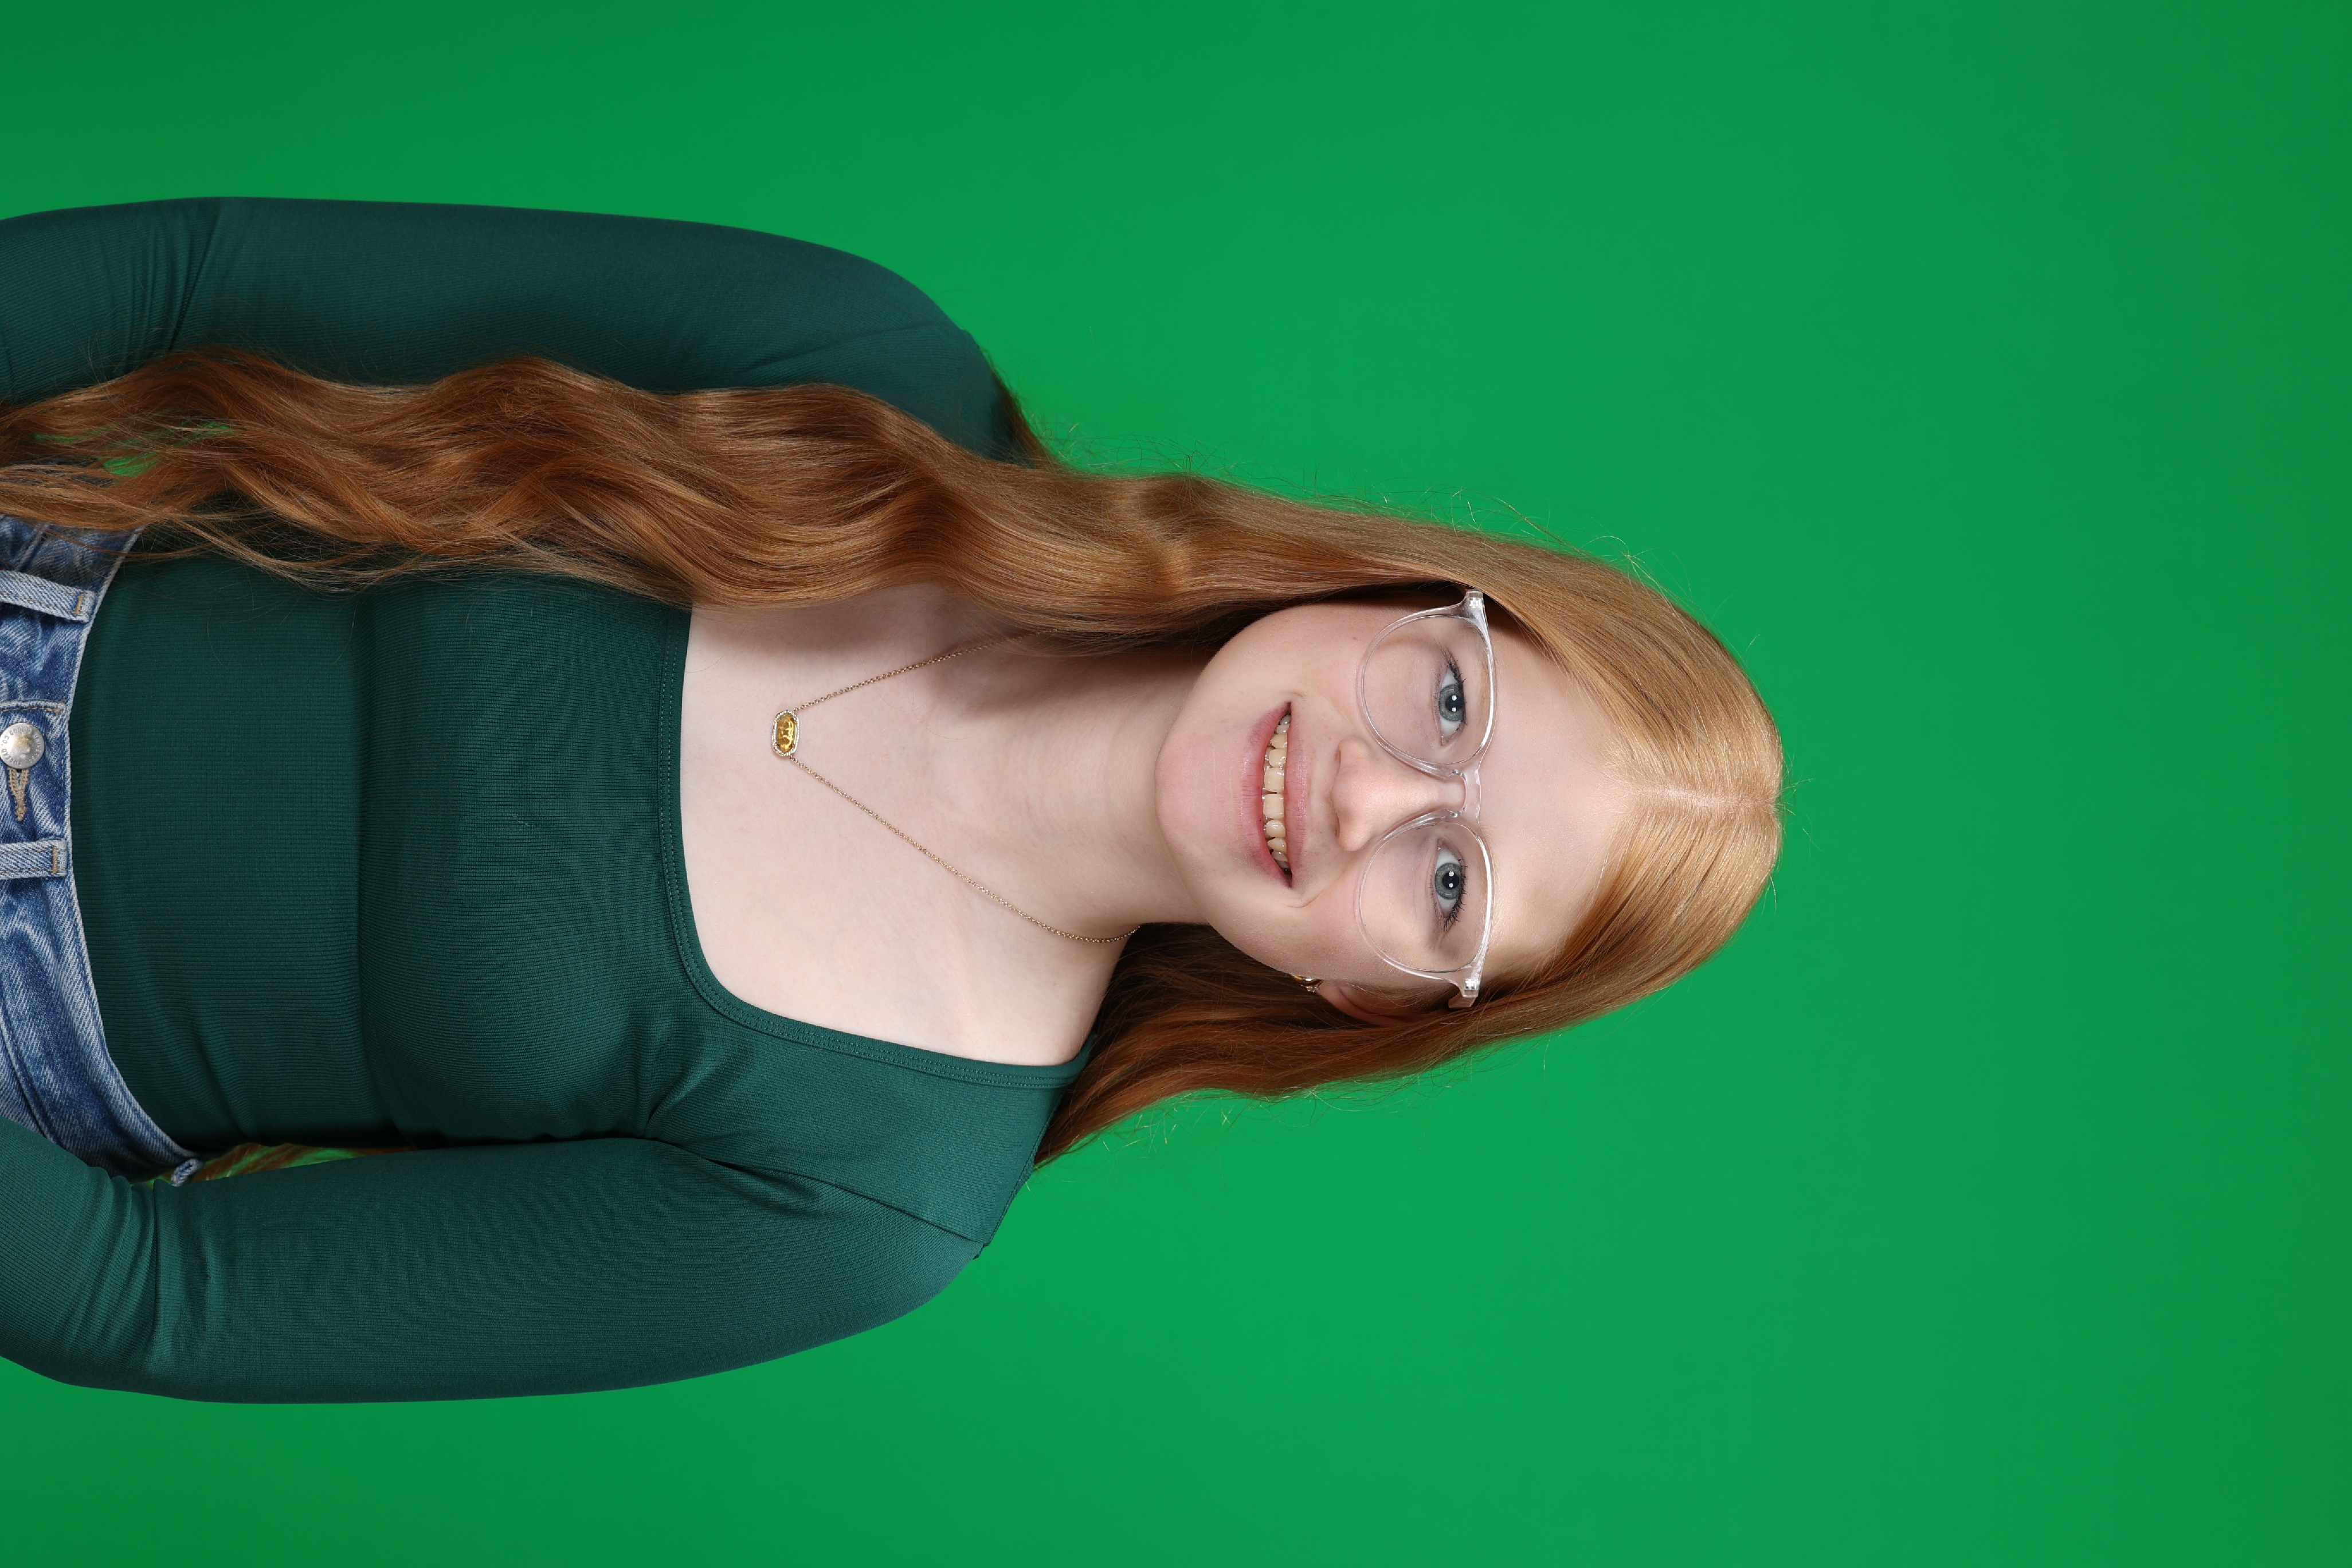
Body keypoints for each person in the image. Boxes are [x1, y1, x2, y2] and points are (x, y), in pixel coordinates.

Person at [0, 198, 1783, 1402]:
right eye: (1450, 701)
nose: (1372, 791)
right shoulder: (864, 372)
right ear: (1392, 590)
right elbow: (198, 275)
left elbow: (156, 1301)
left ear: (1376, 998)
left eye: (1451, 883)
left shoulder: (871, 1199)